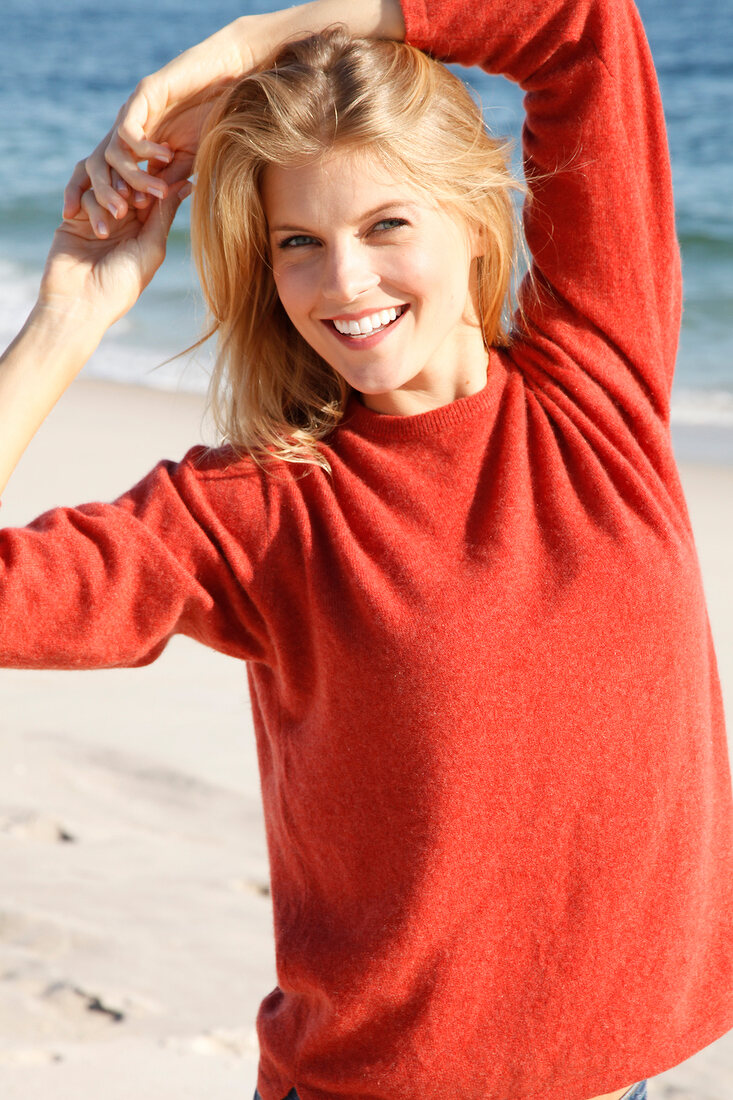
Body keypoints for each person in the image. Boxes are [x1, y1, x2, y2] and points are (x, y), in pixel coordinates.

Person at [1, 0, 732, 1098]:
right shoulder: (258, 508)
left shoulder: (596, 384)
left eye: (387, 225)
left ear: (477, 223)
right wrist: (67, 317)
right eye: (300, 242)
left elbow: (583, 28)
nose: (343, 282)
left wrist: (252, 42)